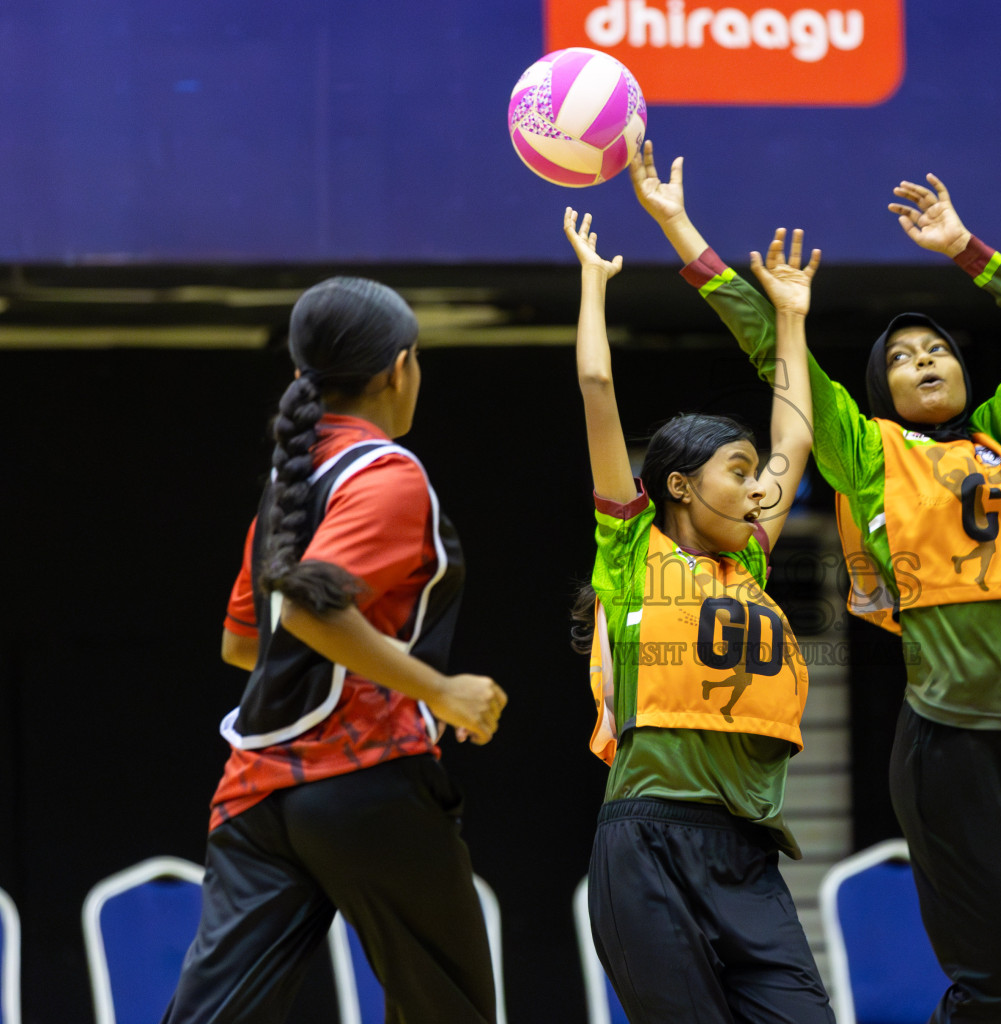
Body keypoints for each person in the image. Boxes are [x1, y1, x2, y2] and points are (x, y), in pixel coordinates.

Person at [632, 142, 1001, 1023]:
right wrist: (681, 231)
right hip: (950, 740)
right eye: (904, 354)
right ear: (879, 386)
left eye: (939, 350)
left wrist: (965, 248)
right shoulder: (866, 453)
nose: (925, 360)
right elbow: (774, 350)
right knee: (992, 986)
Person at [163, 277, 507, 1024]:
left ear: (302, 376)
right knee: (447, 1009)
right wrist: (437, 691)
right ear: (399, 367)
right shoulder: (386, 474)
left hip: (257, 794)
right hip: (367, 781)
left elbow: (242, 642)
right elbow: (314, 618)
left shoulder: (293, 481)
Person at [565, 206, 833, 1024]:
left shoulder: (747, 557)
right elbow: (597, 386)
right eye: (740, 470)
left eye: (761, 475)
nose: (761, 487)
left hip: (744, 851)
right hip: (645, 845)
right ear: (678, 486)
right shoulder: (629, 553)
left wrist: (789, 319)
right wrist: (593, 284)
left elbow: (798, 426)